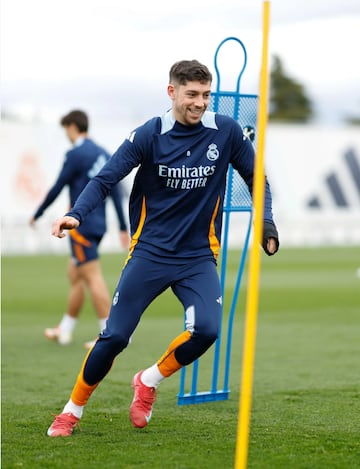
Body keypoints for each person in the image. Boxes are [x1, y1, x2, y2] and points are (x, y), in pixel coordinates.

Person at [46, 60, 279, 437]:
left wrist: (266, 220)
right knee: (116, 336)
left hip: (199, 255)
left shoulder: (228, 132)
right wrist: (76, 214)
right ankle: (71, 412)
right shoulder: (149, 135)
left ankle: (148, 381)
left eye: (206, 95)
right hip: (150, 252)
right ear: (172, 92)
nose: (200, 103)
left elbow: (256, 176)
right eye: (192, 95)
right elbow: (105, 180)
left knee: (206, 330)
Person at [30, 110, 130, 349]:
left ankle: (109, 334)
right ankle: (64, 329)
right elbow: (115, 190)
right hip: (98, 224)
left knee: (92, 276)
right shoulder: (103, 152)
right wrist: (122, 226)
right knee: (75, 275)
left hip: (80, 224)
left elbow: (58, 186)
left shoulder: (76, 154)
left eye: (66, 129)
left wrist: (38, 213)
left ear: (73, 127)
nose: (66, 134)